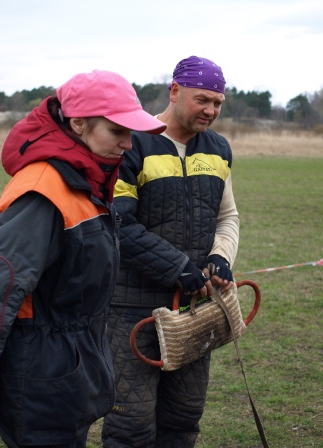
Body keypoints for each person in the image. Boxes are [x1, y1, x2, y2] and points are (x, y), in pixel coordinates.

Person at [0, 69, 166, 448]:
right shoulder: (44, 191)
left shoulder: (87, 181)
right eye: (117, 131)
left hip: (67, 378)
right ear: (79, 123)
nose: (128, 144)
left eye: (131, 132)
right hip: (42, 385)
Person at [101, 56, 240, 447]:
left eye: (218, 102)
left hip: (194, 310)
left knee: (183, 420)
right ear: (175, 91)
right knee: (131, 426)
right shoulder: (132, 144)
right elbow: (118, 224)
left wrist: (220, 258)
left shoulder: (219, 149)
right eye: (203, 100)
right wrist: (178, 267)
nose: (211, 110)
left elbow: (228, 217)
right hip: (131, 310)